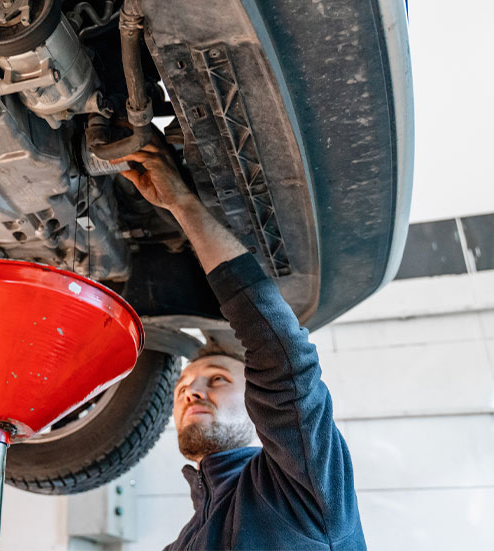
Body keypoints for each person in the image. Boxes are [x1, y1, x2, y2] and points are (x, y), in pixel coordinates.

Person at [115, 143, 365, 550]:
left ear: (259, 403)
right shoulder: (186, 542)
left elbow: (283, 360)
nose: (190, 391)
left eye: (215, 379)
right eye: (185, 387)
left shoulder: (304, 488)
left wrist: (181, 204)